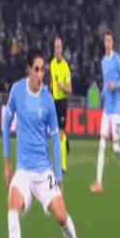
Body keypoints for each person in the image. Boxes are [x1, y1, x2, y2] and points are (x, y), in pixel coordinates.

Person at [3, 47, 94, 238]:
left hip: (44, 172)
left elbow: (55, 139)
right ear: (28, 70)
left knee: (62, 217)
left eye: (43, 70)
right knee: (12, 207)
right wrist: (6, 162)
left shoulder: (48, 100)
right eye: (37, 69)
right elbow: (6, 122)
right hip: (23, 171)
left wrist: (58, 178)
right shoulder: (17, 91)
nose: (40, 74)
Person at [91, 30, 120, 193]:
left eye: (110, 40)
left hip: (116, 110)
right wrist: (101, 95)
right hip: (106, 109)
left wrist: (116, 85)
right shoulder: (103, 62)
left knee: (115, 148)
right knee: (101, 144)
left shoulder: (117, 59)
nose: (108, 43)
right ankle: (98, 183)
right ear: (104, 43)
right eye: (106, 41)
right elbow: (106, 84)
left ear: (112, 42)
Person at [49, 37, 72, 173]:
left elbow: (70, 89)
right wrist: (51, 86)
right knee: (56, 134)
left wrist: (62, 86)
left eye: (59, 47)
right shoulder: (52, 64)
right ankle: (65, 143)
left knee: (60, 133)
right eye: (55, 47)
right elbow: (52, 81)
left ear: (62, 49)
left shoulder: (65, 66)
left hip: (62, 101)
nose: (57, 50)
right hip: (54, 101)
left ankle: (62, 165)